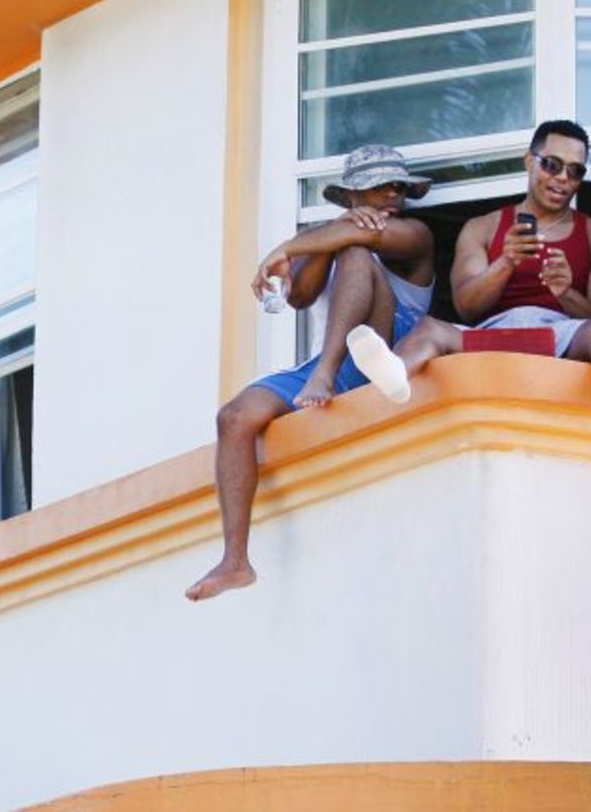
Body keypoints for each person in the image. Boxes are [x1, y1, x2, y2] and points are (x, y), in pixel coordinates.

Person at [184, 144, 436, 602]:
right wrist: (333, 235)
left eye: (399, 187)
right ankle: (235, 560)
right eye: (380, 187)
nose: (393, 196)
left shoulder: (416, 234)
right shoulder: (338, 232)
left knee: (358, 254)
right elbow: (299, 295)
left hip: (392, 357)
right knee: (234, 418)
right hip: (337, 360)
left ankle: (323, 374)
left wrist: (287, 247)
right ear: (351, 196)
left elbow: (372, 241)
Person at [344, 121, 591, 438]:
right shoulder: (483, 227)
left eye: (575, 171)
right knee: (429, 328)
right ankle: (395, 374)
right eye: (552, 165)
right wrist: (506, 262)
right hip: (492, 334)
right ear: (529, 161)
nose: (562, 178)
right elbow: (466, 308)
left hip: (558, 332)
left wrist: (566, 292)